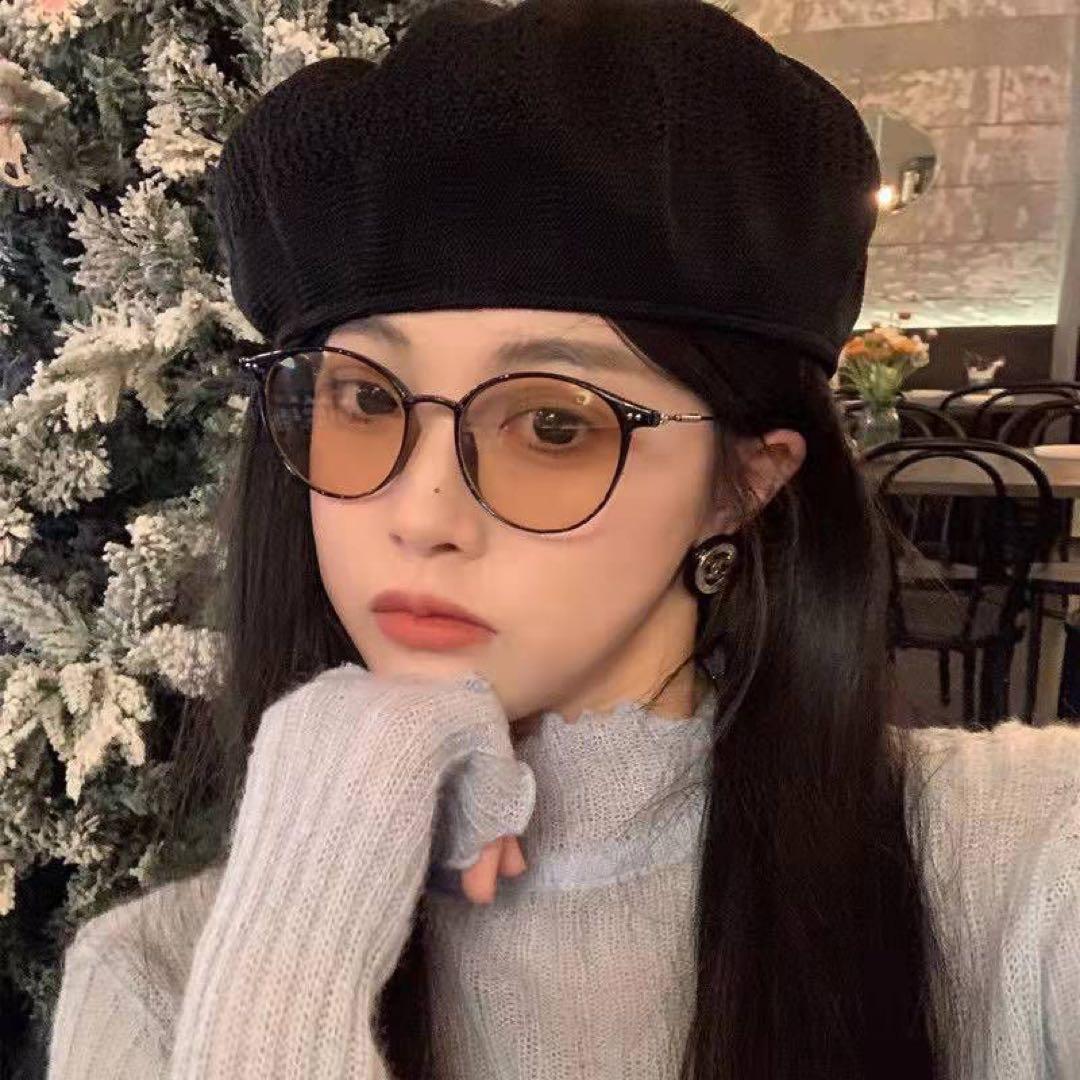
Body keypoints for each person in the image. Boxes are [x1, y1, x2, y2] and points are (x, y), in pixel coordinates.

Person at [45, 2, 1080, 1078]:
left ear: (743, 484)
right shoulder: (157, 984)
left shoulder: (1021, 866)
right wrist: (296, 940)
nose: (421, 514)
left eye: (551, 425)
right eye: (366, 399)